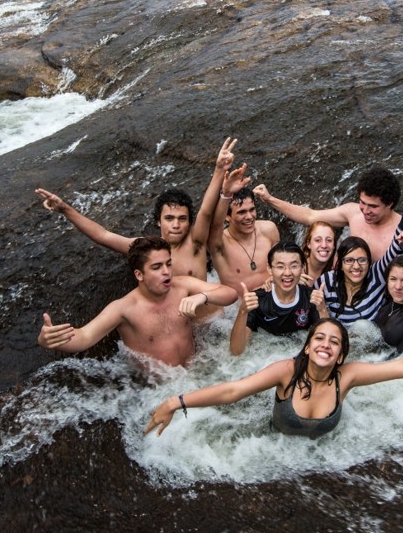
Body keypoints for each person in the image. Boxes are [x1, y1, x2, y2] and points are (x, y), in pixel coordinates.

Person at [144, 318, 403, 440]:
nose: (326, 345)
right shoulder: (286, 371)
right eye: (320, 339)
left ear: (341, 354)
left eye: (334, 342)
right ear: (308, 346)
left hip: (323, 450)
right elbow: (234, 390)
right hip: (273, 445)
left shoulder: (348, 376)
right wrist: (176, 402)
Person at [35, 138, 239, 281]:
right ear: (159, 221)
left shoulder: (196, 243)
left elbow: (205, 211)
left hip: (212, 326)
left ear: (188, 222)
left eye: (182, 219)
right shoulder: (146, 248)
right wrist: (64, 209)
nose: (176, 225)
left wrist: (220, 169)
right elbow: (103, 235)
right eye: (169, 218)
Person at [37, 236, 237, 367]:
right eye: (157, 267)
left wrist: (203, 296)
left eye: (168, 264)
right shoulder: (124, 308)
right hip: (158, 390)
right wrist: (49, 341)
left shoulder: (182, 286)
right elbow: (84, 337)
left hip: (199, 371)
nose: (167, 271)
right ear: (139, 274)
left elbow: (230, 293)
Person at [253, 165, 403, 295]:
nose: (365, 211)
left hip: (376, 298)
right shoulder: (353, 213)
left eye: (373, 207)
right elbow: (310, 216)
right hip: (340, 288)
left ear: (390, 204)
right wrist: (270, 199)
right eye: (363, 203)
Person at [316, 174, 403, 325]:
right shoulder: (326, 282)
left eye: (362, 260)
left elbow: (398, 239)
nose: (356, 266)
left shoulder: (376, 276)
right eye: (349, 260)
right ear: (340, 263)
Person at [229, 242, 327, 356]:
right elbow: (236, 351)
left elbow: (325, 345)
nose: (287, 273)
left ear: (303, 268)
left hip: (299, 352)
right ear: (269, 269)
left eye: (294, 266)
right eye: (280, 267)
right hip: (264, 355)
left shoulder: (311, 298)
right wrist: (243, 311)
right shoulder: (257, 300)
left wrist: (322, 309)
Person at [207, 162, 280, 293]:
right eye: (241, 212)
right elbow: (213, 226)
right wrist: (226, 193)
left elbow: (283, 263)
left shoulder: (269, 230)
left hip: (273, 298)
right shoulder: (220, 243)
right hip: (239, 308)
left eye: (252, 210)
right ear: (227, 217)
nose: (249, 217)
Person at [299, 221, 337, 286]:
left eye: (329, 240)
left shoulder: (339, 271)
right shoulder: (296, 269)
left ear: (334, 245)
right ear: (308, 243)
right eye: (318, 240)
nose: (324, 245)